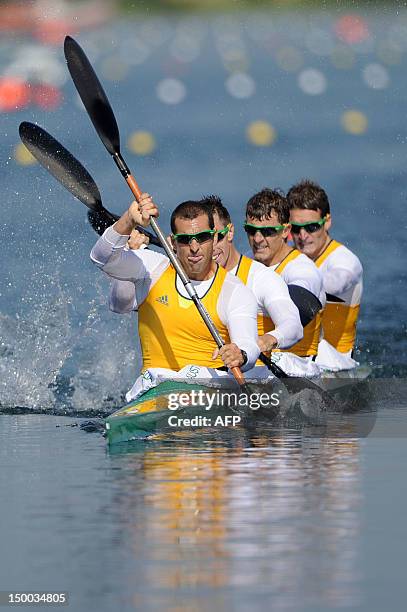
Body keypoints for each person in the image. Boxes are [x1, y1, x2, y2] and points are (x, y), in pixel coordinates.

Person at [90, 193, 260, 400]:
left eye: (203, 238)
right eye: (185, 240)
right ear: (172, 242)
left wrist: (240, 354)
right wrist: (128, 220)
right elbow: (101, 258)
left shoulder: (235, 292)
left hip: (209, 395)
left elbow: (249, 345)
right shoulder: (151, 269)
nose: (195, 247)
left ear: (215, 238)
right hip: (154, 392)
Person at [208, 196, 304, 373]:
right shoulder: (186, 277)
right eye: (204, 239)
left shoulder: (262, 278)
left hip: (256, 380)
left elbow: (293, 327)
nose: (211, 247)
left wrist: (263, 341)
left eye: (218, 237)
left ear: (230, 232)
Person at [244, 188, 325, 376]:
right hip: (255, 367)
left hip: (295, 367)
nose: (257, 239)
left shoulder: (302, 269)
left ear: (285, 231)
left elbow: (303, 308)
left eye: (268, 231)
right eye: (251, 230)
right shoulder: (245, 263)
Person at [287, 180, 363, 371]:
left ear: (327, 221)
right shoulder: (286, 257)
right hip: (294, 356)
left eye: (311, 227)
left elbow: (337, 284)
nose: (303, 236)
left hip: (335, 363)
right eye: (296, 229)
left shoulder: (345, 261)